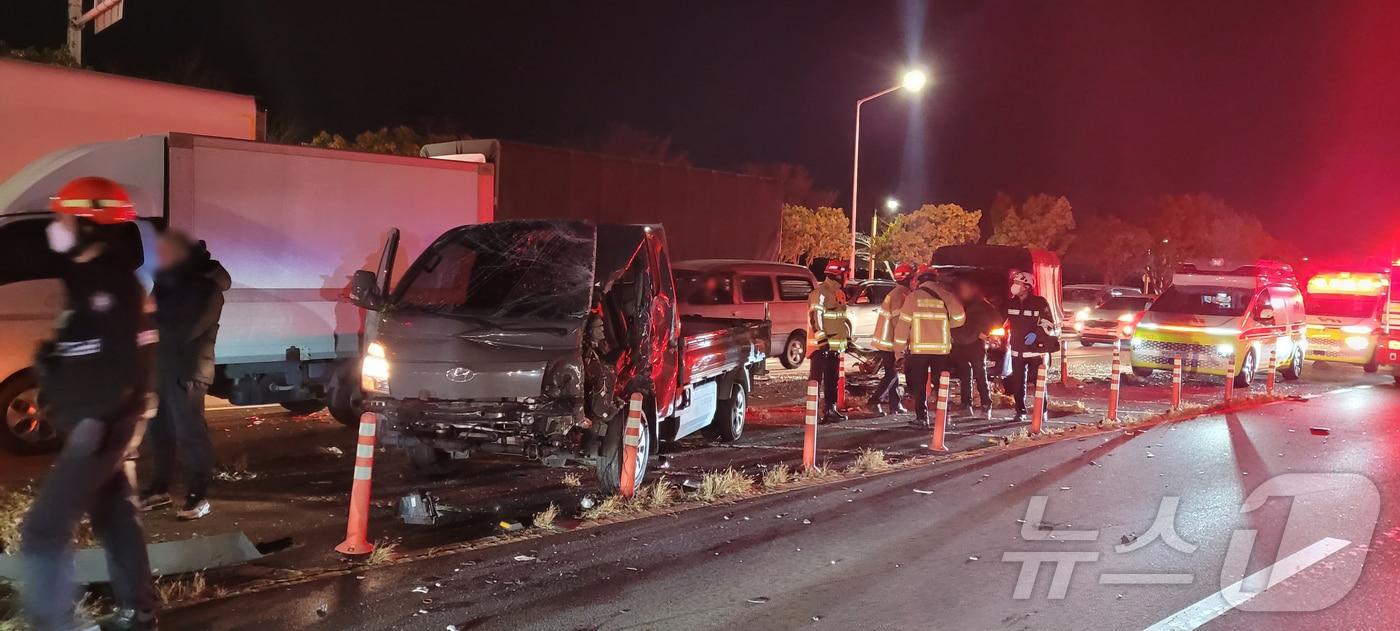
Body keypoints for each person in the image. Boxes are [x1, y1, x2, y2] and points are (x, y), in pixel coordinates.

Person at [21, 177, 158, 630]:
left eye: (65, 218)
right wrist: (52, 358)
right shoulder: (86, 277)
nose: (56, 226)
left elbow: (123, 365)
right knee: (115, 513)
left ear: (89, 226)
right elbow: (86, 348)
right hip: (93, 423)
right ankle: (138, 609)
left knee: (41, 531)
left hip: (96, 427)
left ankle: (55, 622)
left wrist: (95, 424)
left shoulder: (114, 288)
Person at [139, 230, 229, 521]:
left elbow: (185, 330)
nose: (158, 259)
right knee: (159, 431)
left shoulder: (207, 288)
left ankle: (197, 494)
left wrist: (153, 317)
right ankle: (158, 489)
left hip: (189, 370)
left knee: (190, 432)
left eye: (164, 253)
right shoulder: (167, 282)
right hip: (162, 367)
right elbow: (148, 320)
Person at [894, 267, 965, 427]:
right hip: (941, 350)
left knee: (919, 385)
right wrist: (947, 324)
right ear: (935, 279)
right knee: (942, 383)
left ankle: (921, 417)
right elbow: (960, 319)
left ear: (920, 280)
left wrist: (898, 353)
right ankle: (944, 415)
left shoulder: (912, 298)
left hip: (919, 350)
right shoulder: (947, 296)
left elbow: (902, 327)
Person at [1005, 270, 1060, 421]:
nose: (1015, 286)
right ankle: (1020, 412)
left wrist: (1036, 333)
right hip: (1017, 350)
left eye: (1018, 283)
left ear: (1027, 287)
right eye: (1014, 283)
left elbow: (1048, 323)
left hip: (1035, 350)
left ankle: (1042, 411)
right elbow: (1000, 320)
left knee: (1039, 382)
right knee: (1017, 384)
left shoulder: (1039, 303)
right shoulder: (1010, 303)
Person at [867, 263, 914, 415]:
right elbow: (900, 322)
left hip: (887, 341)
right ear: (908, 278)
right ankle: (874, 401)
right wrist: (904, 343)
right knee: (892, 374)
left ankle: (895, 405)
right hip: (891, 343)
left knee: (893, 373)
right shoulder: (902, 295)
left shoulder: (896, 293)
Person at [806, 258, 849, 423]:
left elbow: (839, 319)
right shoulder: (820, 293)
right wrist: (822, 341)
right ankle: (814, 412)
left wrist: (846, 340)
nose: (848, 277)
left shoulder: (836, 293)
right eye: (846, 274)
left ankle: (830, 410)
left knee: (832, 379)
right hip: (821, 348)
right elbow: (815, 317)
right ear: (839, 274)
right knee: (816, 380)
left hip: (833, 347)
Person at [951, 279, 997, 419]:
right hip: (961, 344)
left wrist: (982, 334)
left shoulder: (981, 305)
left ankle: (986, 405)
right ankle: (966, 406)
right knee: (965, 377)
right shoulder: (960, 303)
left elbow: (991, 321)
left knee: (980, 375)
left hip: (975, 344)